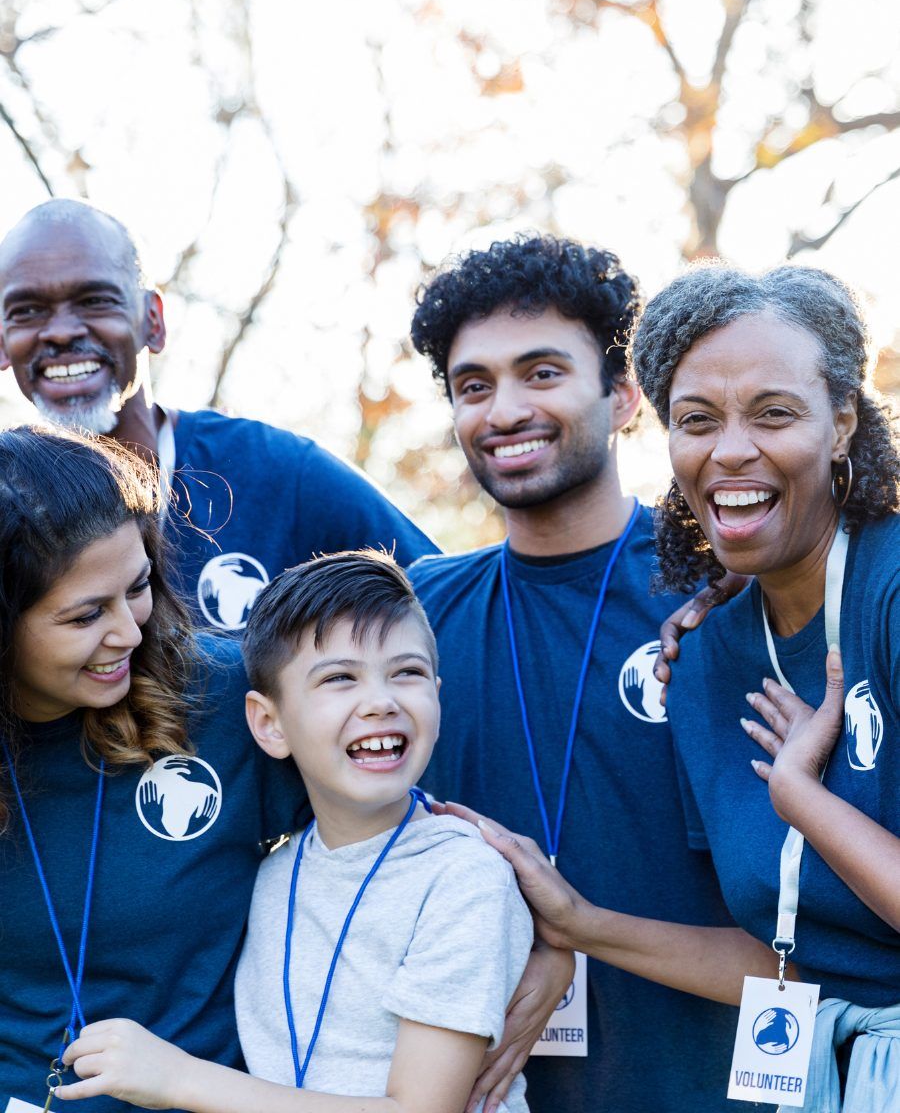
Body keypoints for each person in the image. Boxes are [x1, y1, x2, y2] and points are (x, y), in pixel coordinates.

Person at [457, 263, 900, 1111]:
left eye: (774, 413)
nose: (730, 449)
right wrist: (579, 925)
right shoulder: (706, 658)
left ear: (843, 419)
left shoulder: (890, 593)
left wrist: (804, 800)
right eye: (697, 420)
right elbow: (803, 971)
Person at [407, 235, 738, 1113]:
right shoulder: (409, 622)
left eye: (542, 372)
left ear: (625, 394)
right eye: (473, 386)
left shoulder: (723, 596)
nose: (503, 409)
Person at [54, 551, 533, 1113]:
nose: (381, 702)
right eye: (339, 679)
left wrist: (179, 1079)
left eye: (407, 672)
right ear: (268, 724)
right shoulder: (275, 871)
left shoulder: (463, 877)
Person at [0, 424, 307, 1113]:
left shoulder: (228, 699)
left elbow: (400, 839)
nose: (130, 633)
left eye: (137, 588)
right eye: (85, 616)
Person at [0, 199, 434, 631]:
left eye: (95, 300)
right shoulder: (9, 507)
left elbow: (449, 600)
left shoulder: (274, 471)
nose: (59, 332)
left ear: (153, 320)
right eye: (27, 311)